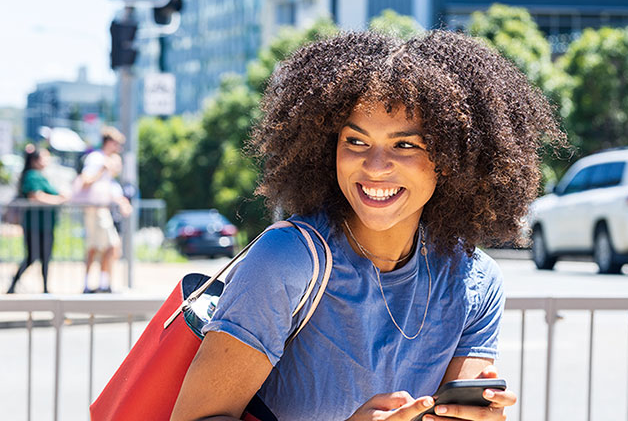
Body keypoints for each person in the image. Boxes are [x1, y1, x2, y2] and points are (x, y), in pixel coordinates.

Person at [171, 31, 563, 421]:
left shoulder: (475, 280)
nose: (375, 167)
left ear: (452, 159)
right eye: (356, 141)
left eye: (405, 145)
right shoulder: (287, 261)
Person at [7, 145, 67, 294]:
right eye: (44, 157)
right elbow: (35, 196)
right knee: (33, 256)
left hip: (45, 224)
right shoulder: (32, 176)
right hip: (35, 224)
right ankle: (15, 283)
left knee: (44, 256)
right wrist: (58, 200)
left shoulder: (40, 176)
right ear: (35, 160)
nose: (47, 160)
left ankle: (45, 287)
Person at [78, 127, 127, 293]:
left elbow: (108, 187)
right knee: (109, 246)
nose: (119, 148)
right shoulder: (97, 159)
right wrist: (102, 169)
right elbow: (86, 181)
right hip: (95, 208)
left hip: (101, 208)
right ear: (109, 142)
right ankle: (102, 285)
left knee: (97, 247)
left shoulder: (105, 159)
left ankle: (98, 284)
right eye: (117, 144)